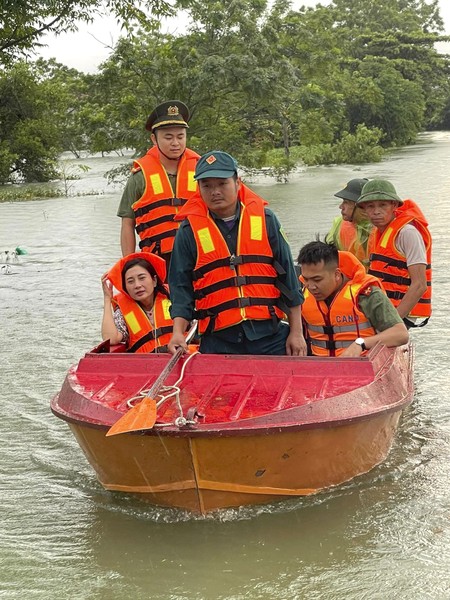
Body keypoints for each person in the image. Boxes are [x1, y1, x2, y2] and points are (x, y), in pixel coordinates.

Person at [167, 151, 307, 356]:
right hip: (218, 339)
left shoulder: (266, 220)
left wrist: (297, 332)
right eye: (207, 185)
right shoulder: (188, 232)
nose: (215, 191)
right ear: (199, 189)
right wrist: (178, 332)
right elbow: (180, 288)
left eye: (222, 183)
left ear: (238, 183)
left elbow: (289, 279)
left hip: (268, 335)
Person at [117, 100, 200, 265]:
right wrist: (128, 264)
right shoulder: (139, 177)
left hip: (199, 256)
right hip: (159, 259)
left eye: (180, 136)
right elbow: (127, 223)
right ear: (154, 139)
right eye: (168, 137)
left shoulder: (202, 171)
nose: (175, 143)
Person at [297, 241, 409, 357]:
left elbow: (401, 334)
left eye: (317, 280)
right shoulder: (301, 297)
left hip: (364, 366)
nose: (311, 287)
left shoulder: (367, 295)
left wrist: (360, 344)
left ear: (336, 274)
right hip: (320, 368)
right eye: (306, 279)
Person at [356, 179, 432, 328]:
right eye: (370, 206)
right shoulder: (378, 232)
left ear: (394, 205)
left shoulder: (407, 233)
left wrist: (393, 323)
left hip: (401, 311)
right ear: (364, 209)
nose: (376, 211)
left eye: (382, 205)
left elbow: (419, 285)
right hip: (384, 307)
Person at [101, 252, 173, 353]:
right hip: (145, 365)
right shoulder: (122, 311)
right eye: (130, 281)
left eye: (142, 278)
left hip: (182, 361)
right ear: (125, 288)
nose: (137, 285)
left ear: (154, 280)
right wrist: (107, 299)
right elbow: (110, 339)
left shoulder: (174, 299)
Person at [326, 178, 374, 270]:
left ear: (362, 207)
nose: (340, 207)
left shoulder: (381, 229)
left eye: (346, 202)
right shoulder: (339, 225)